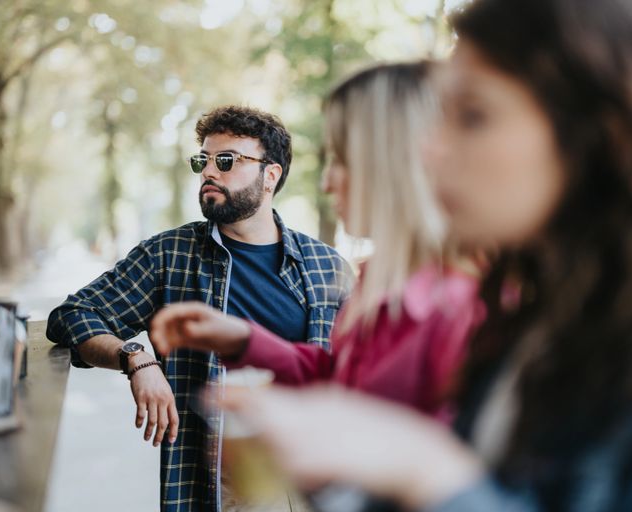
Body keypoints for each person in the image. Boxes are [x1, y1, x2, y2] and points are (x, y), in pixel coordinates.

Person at [215, 0, 632, 512]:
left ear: (601, 131)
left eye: (473, 116)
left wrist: (427, 472)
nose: (431, 153)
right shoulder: (538, 320)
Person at [46, 105, 353, 512]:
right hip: (234, 489)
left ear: (270, 175)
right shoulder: (169, 256)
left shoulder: (326, 266)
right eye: (203, 160)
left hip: (325, 478)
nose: (209, 171)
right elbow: (72, 315)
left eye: (226, 161)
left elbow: (355, 375)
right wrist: (137, 358)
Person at [150, 61, 484, 421]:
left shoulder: (461, 307)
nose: (326, 183)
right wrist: (242, 339)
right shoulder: (380, 283)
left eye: (339, 160)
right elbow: (341, 379)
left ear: (395, 163)